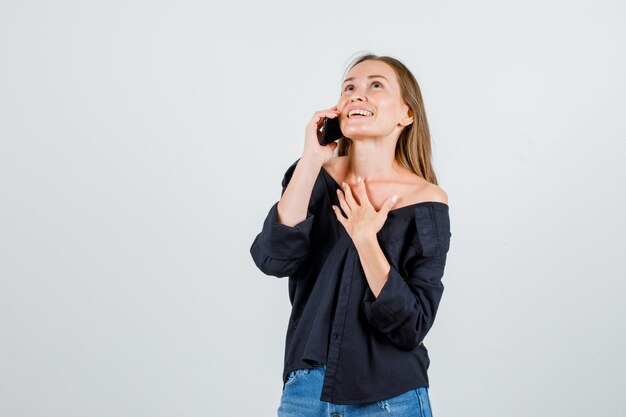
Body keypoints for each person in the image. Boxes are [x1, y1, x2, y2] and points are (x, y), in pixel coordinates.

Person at [250, 53, 452, 417]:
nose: (358, 95)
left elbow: (412, 325)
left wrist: (365, 239)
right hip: (306, 392)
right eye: (349, 88)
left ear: (407, 113)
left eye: (376, 85)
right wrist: (311, 159)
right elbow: (274, 258)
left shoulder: (427, 201)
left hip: (390, 395)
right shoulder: (312, 174)